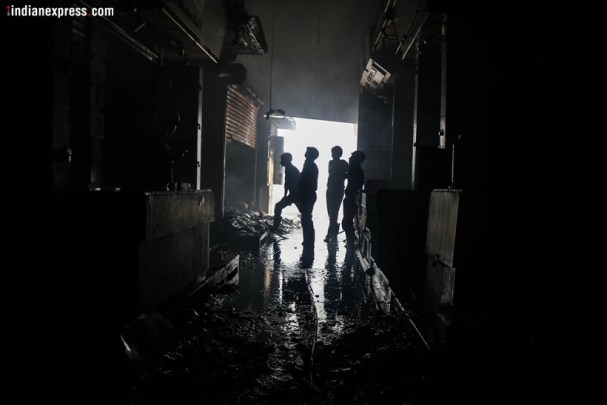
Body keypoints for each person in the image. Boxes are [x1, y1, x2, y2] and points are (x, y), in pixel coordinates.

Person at [324, 146, 349, 243]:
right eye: (332, 152)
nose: (333, 154)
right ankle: (333, 233)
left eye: (334, 152)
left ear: (340, 154)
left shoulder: (343, 163)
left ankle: (330, 234)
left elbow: (350, 173)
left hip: (338, 190)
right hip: (329, 190)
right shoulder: (330, 163)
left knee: (334, 212)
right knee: (331, 213)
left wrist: (341, 175)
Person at [342, 150, 365, 249]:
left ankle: (351, 244)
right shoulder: (354, 170)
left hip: (352, 198)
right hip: (350, 197)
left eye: (352, 157)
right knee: (347, 221)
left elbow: (356, 185)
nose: (350, 158)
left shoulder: (357, 170)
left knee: (346, 222)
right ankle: (350, 242)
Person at [298, 147, 319, 257]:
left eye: (307, 152)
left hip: (308, 194)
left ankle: (309, 241)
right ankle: (308, 240)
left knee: (306, 218)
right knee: (306, 218)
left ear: (310, 155)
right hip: (308, 194)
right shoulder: (309, 165)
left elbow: (306, 182)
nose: (305, 154)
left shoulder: (310, 166)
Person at [271, 153, 300, 231]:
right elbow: (287, 184)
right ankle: (275, 227)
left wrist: (291, 198)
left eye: (282, 159)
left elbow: (294, 184)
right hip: (294, 195)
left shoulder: (292, 170)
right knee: (278, 206)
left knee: (278, 206)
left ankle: (275, 227)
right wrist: (285, 196)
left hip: (297, 195)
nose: (281, 161)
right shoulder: (289, 169)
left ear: (287, 160)